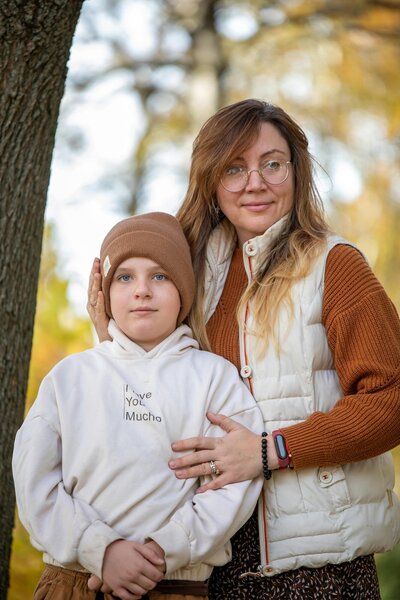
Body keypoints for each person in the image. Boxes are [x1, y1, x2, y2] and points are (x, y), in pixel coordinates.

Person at [88, 99, 400, 600]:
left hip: (316, 570)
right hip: (203, 565)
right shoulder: (186, 276)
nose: (255, 182)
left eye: (272, 164)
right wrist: (113, 343)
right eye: (234, 168)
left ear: (296, 172)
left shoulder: (335, 267)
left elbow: (392, 400)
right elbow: (154, 402)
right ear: (211, 181)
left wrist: (271, 450)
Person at [13, 212, 264, 600]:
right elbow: (35, 482)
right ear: (105, 293)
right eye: (125, 277)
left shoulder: (215, 378)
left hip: (176, 585)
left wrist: (164, 549)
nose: (142, 290)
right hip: (73, 584)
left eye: (160, 276)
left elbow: (234, 485)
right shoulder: (70, 379)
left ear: (184, 288)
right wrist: (101, 550)